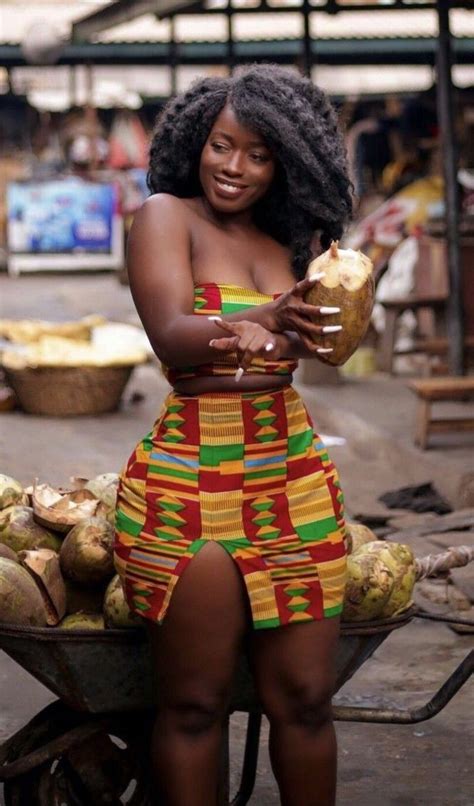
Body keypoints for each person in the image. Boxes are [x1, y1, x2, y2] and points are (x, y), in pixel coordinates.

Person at [114, 63, 353, 805]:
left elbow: (320, 347)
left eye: (258, 153)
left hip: (292, 474)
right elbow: (172, 334)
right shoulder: (166, 216)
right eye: (222, 145)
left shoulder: (296, 238)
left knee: (308, 699)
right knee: (195, 705)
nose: (234, 167)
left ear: (286, 160)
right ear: (197, 141)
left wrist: (321, 327)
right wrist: (253, 321)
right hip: (191, 480)